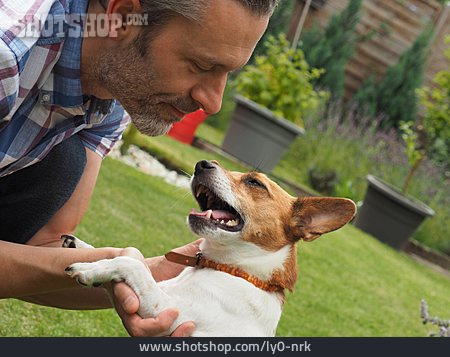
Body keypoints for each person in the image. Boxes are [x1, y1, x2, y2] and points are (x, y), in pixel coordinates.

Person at [0, 0, 276, 336]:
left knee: (66, 160)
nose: (214, 102)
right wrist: (120, 262)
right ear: (121, 17)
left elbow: (45, 249)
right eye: (202, 64)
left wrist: (156, 273)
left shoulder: (108, 96)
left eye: (228, 73)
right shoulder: (7, 57)